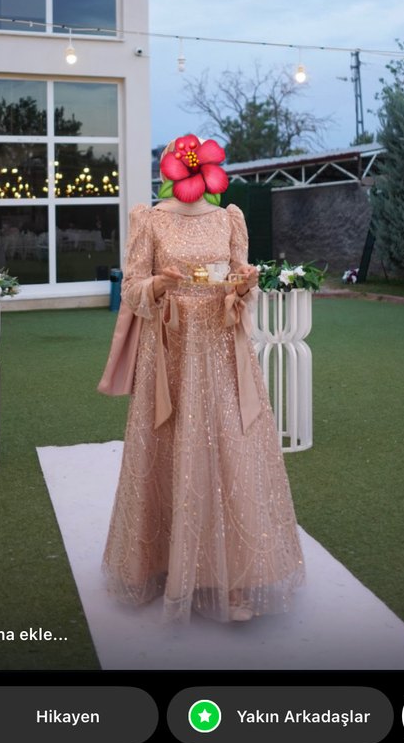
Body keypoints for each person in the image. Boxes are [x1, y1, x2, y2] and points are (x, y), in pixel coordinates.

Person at [99, 133, 305, 623]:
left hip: (221, 347)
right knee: (168, 445)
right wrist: (158, 284)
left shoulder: (229, 217)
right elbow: (131, 290)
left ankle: (236, 578)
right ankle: (159, 567)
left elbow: (239, 280)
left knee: (231, 446)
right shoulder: (149, 219)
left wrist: (246, 284)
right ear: (174, 168)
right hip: (168, 351)